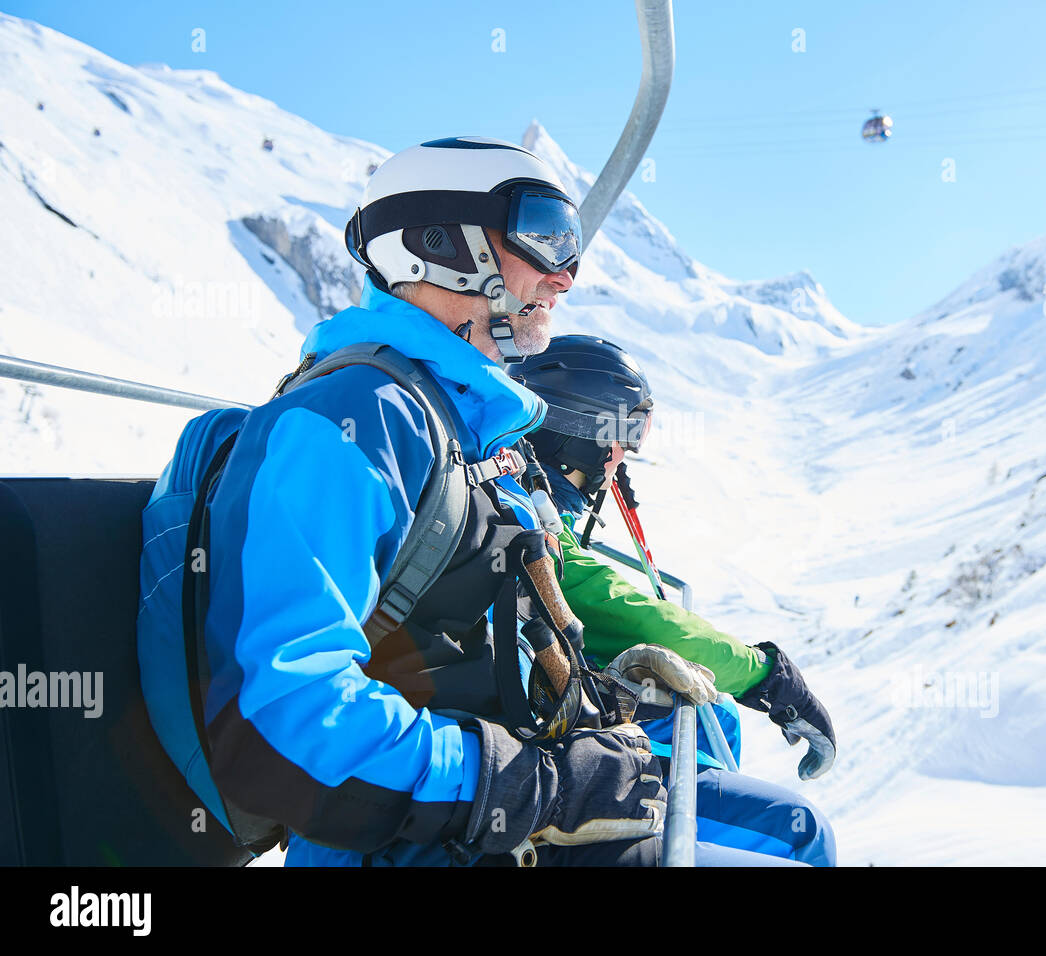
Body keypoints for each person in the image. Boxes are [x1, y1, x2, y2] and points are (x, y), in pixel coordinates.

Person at [137, 137, 668, 867]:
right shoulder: (352, 417)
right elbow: (284, 712)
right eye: (544, 235)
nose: (567, 274)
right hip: (406, 844)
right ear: (437, 245)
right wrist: (533, 786)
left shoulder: (462, 425)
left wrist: (600, 695)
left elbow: (455, 650)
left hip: (485, 827)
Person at [511, 335, 838, 865]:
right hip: (539, 772)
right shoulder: (536, 529)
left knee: (718, 724)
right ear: (581, 435)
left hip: (540, 747)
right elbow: (634, 613)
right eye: (625, 435)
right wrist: (769, 677)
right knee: (802, 834)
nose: (627, 453)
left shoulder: (534, 507)